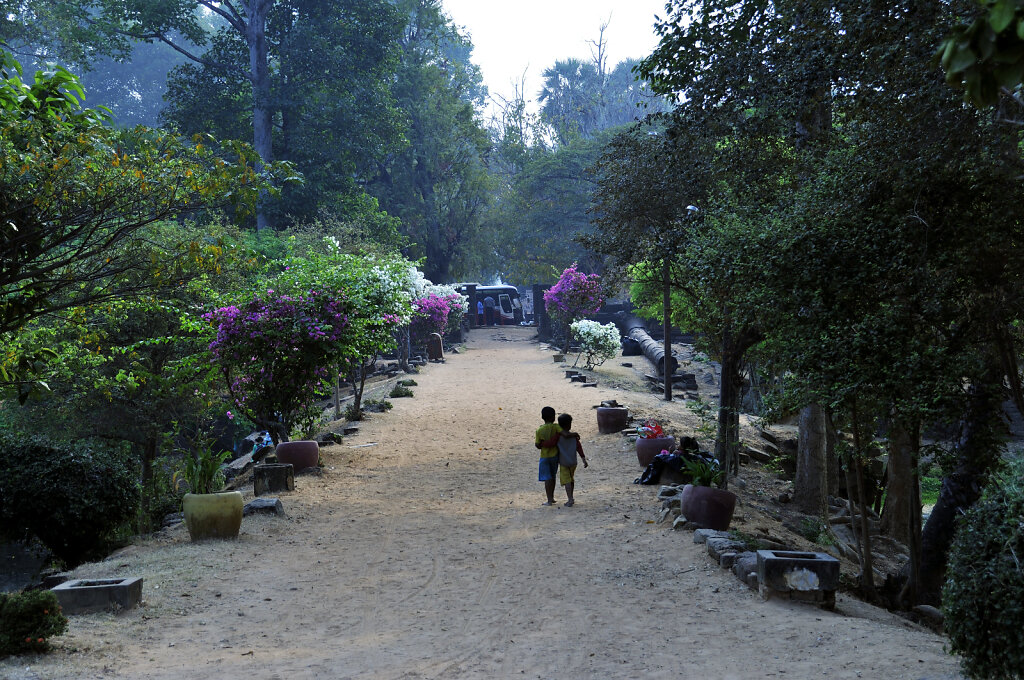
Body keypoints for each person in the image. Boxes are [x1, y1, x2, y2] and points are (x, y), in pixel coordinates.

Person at [554, 413, 588, 507]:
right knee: (571, 479)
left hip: (563, 462)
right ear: (569, 425)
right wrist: (583, 459)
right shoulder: (574, 437)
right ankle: (571, 496)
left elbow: (553, 445)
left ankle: (570, 499)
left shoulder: (558, 437)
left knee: (567, 481)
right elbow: (579, 448)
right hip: (573, 462)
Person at [534, 406, 561, 506]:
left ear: (542, 417)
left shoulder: (539, 430)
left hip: (545, 457)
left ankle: (549, 499)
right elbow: (562, 433)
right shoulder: (556, 427)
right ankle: (552, 497)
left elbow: (537, 445)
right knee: (553, 477)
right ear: (553, 417)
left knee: (547, 478)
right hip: (555, 456)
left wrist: (543, 444)